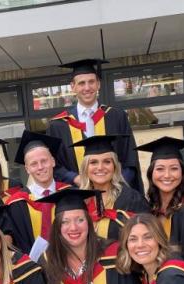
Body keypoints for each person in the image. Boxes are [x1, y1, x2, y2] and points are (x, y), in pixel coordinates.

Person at [47, 58, 143, 193]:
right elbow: (54, 165)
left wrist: (118, 184)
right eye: (81, 83)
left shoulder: (117, 117)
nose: (87, 88)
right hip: (77, 195)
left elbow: (130, 159)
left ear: (98, 84)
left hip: (116, 192)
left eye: (91, 82)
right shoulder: (58, 125)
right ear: (73, 87)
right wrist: (75, 178)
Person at [137, 136, 184, 276]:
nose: (167, 175)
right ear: (151, 173)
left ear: (182, 173)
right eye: (160, 169)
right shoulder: (152, 209)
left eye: (174, 169)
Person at [5, 131, 71, 253]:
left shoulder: (70, 194)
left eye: (44, 161)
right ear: (27, 169)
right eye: (34, 164)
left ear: (53, 161)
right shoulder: (16, 204)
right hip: (32, 264)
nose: (40, 167)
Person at [74, 135, 148, 240]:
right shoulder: (78, 201)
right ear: (86, 168)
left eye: (107, 162)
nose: (100, 167)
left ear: (115, 166)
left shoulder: (132, 199)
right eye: (93, 162)